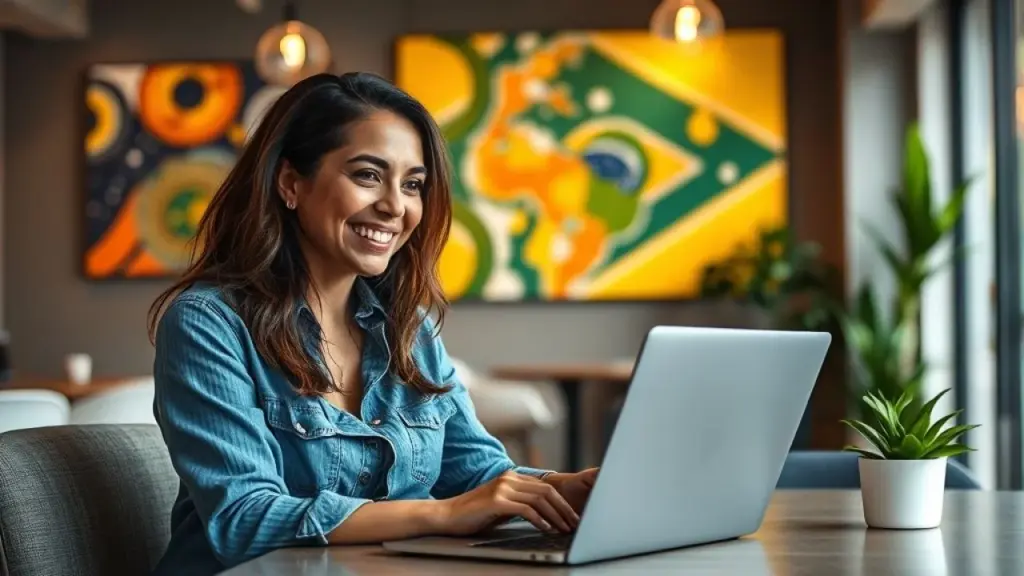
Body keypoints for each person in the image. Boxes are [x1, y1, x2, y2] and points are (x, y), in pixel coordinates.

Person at [147, 72, 599, 575]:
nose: (394, 206)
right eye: (367, 175)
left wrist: (565, 487)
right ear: (291, 183)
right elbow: (244, 520)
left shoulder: (410, 329)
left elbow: (477, 473)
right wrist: (444, 514)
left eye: (412, 185)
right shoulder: (208, 323)